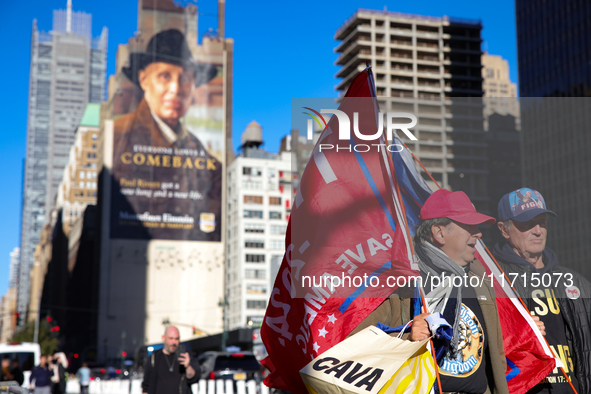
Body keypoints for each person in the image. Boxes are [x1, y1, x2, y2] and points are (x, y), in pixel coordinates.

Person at [350, 189, 509, 394]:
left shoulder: (481, 282)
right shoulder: (400, 282)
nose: (478, 233)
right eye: (468, 225)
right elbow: (356, 345)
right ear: (439, 232)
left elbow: (497, 355)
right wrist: (406, 336)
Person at [112, 28, 221, 241]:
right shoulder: (118, 136)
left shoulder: (206, 159)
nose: (176, 88)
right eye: (165, 76)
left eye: (185, 79)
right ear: (143, 80)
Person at [493, 187, 591, 393]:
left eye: (542, 223)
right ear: (504, 229)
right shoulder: (493, 281)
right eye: (527, 224)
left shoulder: (575, 282)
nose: (538, 231)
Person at [142, 326, 200, 394]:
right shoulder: (154, 358)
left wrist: (187, 366)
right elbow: (146, 386)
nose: (174, 342)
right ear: (163, 338)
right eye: (171, 338)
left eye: (176, 339)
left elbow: (194, 378)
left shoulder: (186, 356)